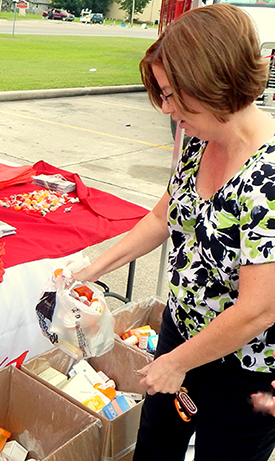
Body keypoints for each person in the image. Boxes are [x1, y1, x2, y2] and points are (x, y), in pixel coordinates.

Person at [72, 4, 275, 460]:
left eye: (172, 94)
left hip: (245, 369)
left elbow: (258, 310)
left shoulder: (269, 179)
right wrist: (92, 268)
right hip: (181, 330)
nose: (166, 108)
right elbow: (164, 217)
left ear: (214, 82)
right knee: (156, 444)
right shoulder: (200, 140)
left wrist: (178, 364)